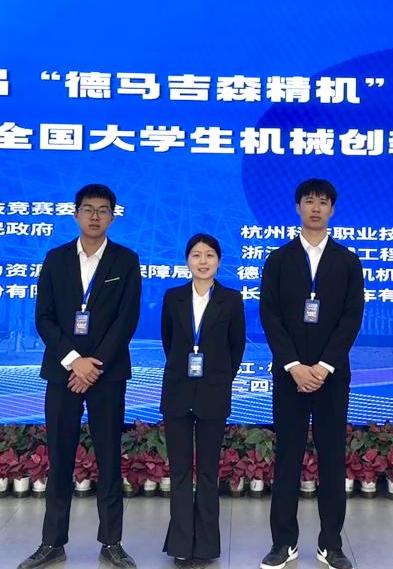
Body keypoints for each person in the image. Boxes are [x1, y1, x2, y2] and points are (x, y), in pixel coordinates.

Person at [19, 184, 141, 569]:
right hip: (63, 374)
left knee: (109, 457)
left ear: (112, 217)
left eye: (103, 210)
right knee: (60, 457)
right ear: (75, 214)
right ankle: (52, 542)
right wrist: (74, 361)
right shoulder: (55, 259)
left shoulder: (126, 260)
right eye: (88, 209)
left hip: (107, 374)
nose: (94, 216)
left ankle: (112, 542)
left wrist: (94, 364)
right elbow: (44, 318)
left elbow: (127, 320)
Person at [258, 179, 364, 569]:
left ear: (332, 210)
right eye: (309, 201)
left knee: (332, 459)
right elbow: (269, 315)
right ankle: (283, 543)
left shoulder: (347, 260)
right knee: (287, 458)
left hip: (331, 377)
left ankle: (331, 544)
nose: (315, 208)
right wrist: (294, 366)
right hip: (290, 376)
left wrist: (322, 366)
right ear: (297, 207)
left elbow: (352, 317)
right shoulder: (279, 259)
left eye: (322, 202)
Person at [159, 233, 247, 568]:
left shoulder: (231, 299)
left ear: (219, 261)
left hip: (213, 392)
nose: (203, 261)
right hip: (178, 392)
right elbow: (169, 341)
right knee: (180, 471)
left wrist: (219, 378)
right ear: (187, 261)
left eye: (209, 255)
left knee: (208, 473)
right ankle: (181, 544)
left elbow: (236, 347)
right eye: (196, 255)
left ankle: (207, 546)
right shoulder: (174, 297)